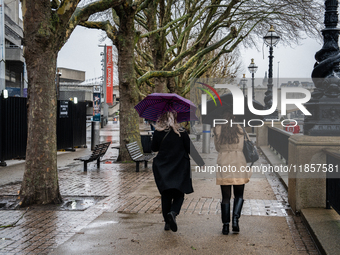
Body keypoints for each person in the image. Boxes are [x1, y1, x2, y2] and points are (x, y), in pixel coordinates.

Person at [151, 111, 205, 232]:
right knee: (179, 194)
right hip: (180, 168)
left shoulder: (158, 132)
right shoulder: (182, 133)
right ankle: (173, 213)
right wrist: (200, 162)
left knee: (166, 195)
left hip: (163, 168)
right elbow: (191, 149)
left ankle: (167, 222)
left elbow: (153, 148)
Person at [213, 111, 252, 235]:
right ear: (234, 117)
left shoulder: (218, 129)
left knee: (225, 197)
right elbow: (248, 143)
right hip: (239, 162)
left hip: (224, 163)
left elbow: (217, 148)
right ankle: (235, 220)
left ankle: (225, 226)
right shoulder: (240, 128)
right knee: (239, 195)